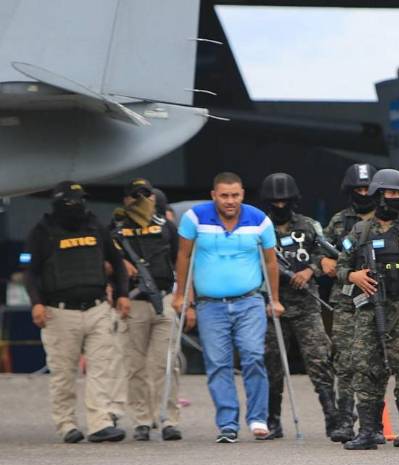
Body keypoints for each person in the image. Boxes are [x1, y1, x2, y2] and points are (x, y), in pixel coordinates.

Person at [174, 172, 282, 443]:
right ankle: (227, 423)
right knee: (218, 364)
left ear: (243, 194)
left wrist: (275, 298)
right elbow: (184, 255)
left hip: (249, 300)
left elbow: (270, 262)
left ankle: (258, 418)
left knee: (253, 355)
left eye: (235, 195)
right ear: (214, 195)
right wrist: (181, 294)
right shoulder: (195, 218)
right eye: (224, 195)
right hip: (210, 305)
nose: (230, 201)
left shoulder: (258, 220)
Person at [337, 169, 399, 450]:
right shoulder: (360, 231)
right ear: (377, 195)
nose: (392, 199)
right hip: (369, 309)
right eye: (388, 194)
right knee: (365, 367)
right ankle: (368, 430)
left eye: (397, 194)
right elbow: (340, 264)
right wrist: (352, 276)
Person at [25, 181, 130, 443]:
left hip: (97, 309)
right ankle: (67, 424)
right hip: (59, 313)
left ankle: (99, 423)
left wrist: (122, 295)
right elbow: (31, 272)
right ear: (60, 202)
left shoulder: (96, 226)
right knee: (63, 373)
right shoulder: (43, 231)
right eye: (72, 201)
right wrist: (36, 302)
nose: (78, 206)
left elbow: (117, 263)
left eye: (81, 200)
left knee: (101, 369)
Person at [259, 172, 338, 440]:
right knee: (273, 366)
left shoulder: (309, 225)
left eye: (285, 200)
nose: (280, 206)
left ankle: (333, 419)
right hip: (273, 307)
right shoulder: (260, 227)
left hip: (306, 306)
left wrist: (311, 270)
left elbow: (325, 251)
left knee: (319, 361)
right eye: (275, 201)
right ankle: (272, 421)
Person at [111, 177, 181, 442]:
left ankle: (169, 419)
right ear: (126, 200)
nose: (142, 200)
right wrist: (119, 269)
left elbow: (180, 261)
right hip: (133, 302)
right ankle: (142, 420)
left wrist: (183, 296)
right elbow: (104, 262)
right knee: (135, 366)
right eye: (135, 195)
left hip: (163, 299)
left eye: (146, 194)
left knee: (166, 364)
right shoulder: (116, 229)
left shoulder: (166, 227)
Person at [322, 163, 377, 443]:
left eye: (368, 188)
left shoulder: (387, 219)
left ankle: (374, 423)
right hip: (344, 299)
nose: (364, 193)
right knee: (344, 361)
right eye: (359, 189)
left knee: (376, 362)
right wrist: (326, 263)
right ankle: (345, 420)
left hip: (377, 300)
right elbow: (320, 253)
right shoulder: (339, 221)